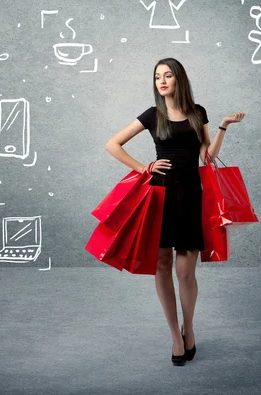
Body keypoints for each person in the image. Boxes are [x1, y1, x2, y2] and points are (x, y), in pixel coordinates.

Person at [104, 57, 245, 366]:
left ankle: (189, 328)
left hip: (190, 196)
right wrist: (144, 167)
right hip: (160, 194)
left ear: (179, 78)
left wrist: (223, 126)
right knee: (161, 265)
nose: (162, 81)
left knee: (185, 272)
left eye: (168, 75)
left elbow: (207, 156)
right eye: (157, 77)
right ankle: (174, 336)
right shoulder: (153, 115)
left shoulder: (198, 113)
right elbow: (113, 144)